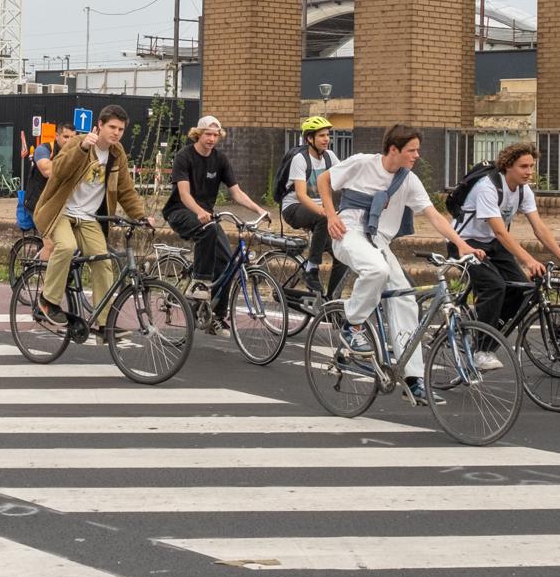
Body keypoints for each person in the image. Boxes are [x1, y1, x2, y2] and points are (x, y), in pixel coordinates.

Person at [317, 125, 483, 404]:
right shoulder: (362, 163)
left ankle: (413, 380)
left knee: (405, 299)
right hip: (348, 232)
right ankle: (353, 325)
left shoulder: (409, 181)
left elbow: (434, 215)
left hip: (378, 241)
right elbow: (324, 179)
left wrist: (462, 244)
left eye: (417, 150)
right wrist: (331, 216)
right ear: (394, 149)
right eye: (412, 150)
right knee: (376, 270)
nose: (417, 155)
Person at [33, 104, 147, 324]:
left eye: (121, 129)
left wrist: (140, 216)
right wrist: (82, 148)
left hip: (89, 218)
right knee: (66, 246)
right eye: (112, 127)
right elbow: (58, 171)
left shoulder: (116, 153)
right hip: (61, 212)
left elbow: (125, 188)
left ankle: (104, 324)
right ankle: (48, 301)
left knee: (103, 261)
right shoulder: (78, 143)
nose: (116, 133)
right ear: (100, 125)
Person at [456, 141, 560, 332]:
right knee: (494, 287)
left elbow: (539, 228)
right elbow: (500, 232)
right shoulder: (487, 187)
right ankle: (481, 348)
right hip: (465, 242)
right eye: (523, 166)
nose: (529, 171)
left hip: (492, 243)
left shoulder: (523, 190)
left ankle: (490, 335)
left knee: (522, 289)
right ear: (508, 166)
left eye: (531, 166)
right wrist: (529, 261)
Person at [166, 115, 269, 327]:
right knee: (209, 228)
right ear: (198, 134)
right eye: (207, 134)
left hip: (207, 218)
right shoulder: (184, 157)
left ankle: (218, 316)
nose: (212, 139)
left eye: (215, 135)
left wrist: (259, 209)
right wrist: (199, 211)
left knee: (228, 262)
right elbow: (184, 194)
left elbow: (236, 192)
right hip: (181, 211)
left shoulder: (220, 159)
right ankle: (201, 283)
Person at [280, 116, 345, 304]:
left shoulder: (329, 157)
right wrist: (324, 211)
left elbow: (345, 179)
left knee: (343, 254)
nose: (326, 139)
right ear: (310, 139)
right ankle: (312, 269)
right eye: (322, 135)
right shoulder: (300, 159)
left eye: (328, 135)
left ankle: (331, 303)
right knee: (324, 217)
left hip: (319, 210)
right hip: (294, 208)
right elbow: (301, 195)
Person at [14, 128, 56, 234]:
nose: (69, 140)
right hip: (36, 203)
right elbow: (47, 172)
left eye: (72, 137)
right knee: (50, 240)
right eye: (66, 137)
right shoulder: (43, 150)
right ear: (57, 136)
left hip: (50, 203)